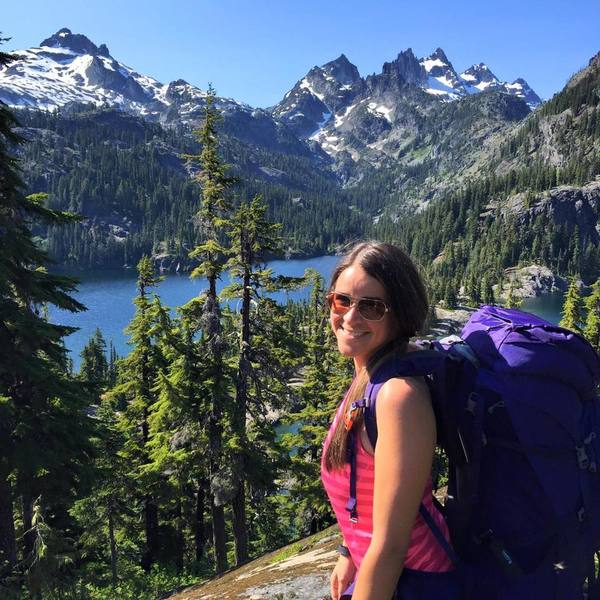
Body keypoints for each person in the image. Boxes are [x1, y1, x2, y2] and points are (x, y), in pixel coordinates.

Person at [321, 241, 458, 600]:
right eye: (342, 300)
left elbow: (391, 545)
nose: (350, 318)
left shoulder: (399, 397)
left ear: (399, 314)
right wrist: (348, 550)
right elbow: (367, 500)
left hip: (418, 582)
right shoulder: (369, 374)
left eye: (372, 307)